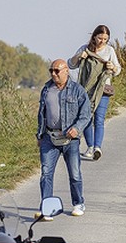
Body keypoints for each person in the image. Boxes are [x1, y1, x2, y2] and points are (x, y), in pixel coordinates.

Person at [37, 59, 91, 217]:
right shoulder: (46, 89)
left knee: (74, 173)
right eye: (51, 71)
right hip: (49, 137)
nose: (53, 74)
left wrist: (77, 128)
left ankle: (78, 203)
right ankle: (47, 208)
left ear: (66, 71)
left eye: (57, 71)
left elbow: (86, 114)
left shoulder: (77, 90)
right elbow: (41, 114)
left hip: (70, 139)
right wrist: (39, 135)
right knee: (46, 173)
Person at [68, 24, 121, 161]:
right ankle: (90, 147)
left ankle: (97, 147)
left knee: (99, 118)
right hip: (85, 90)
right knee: (86, 118)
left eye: (105, 39)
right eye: (100, 38)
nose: (102, 41)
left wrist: (112, 67)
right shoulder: (85, 49)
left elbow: (118, 70)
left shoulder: (110, 51)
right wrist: (80, 56)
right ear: (94, 36)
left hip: (102, 90)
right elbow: (71, 64)